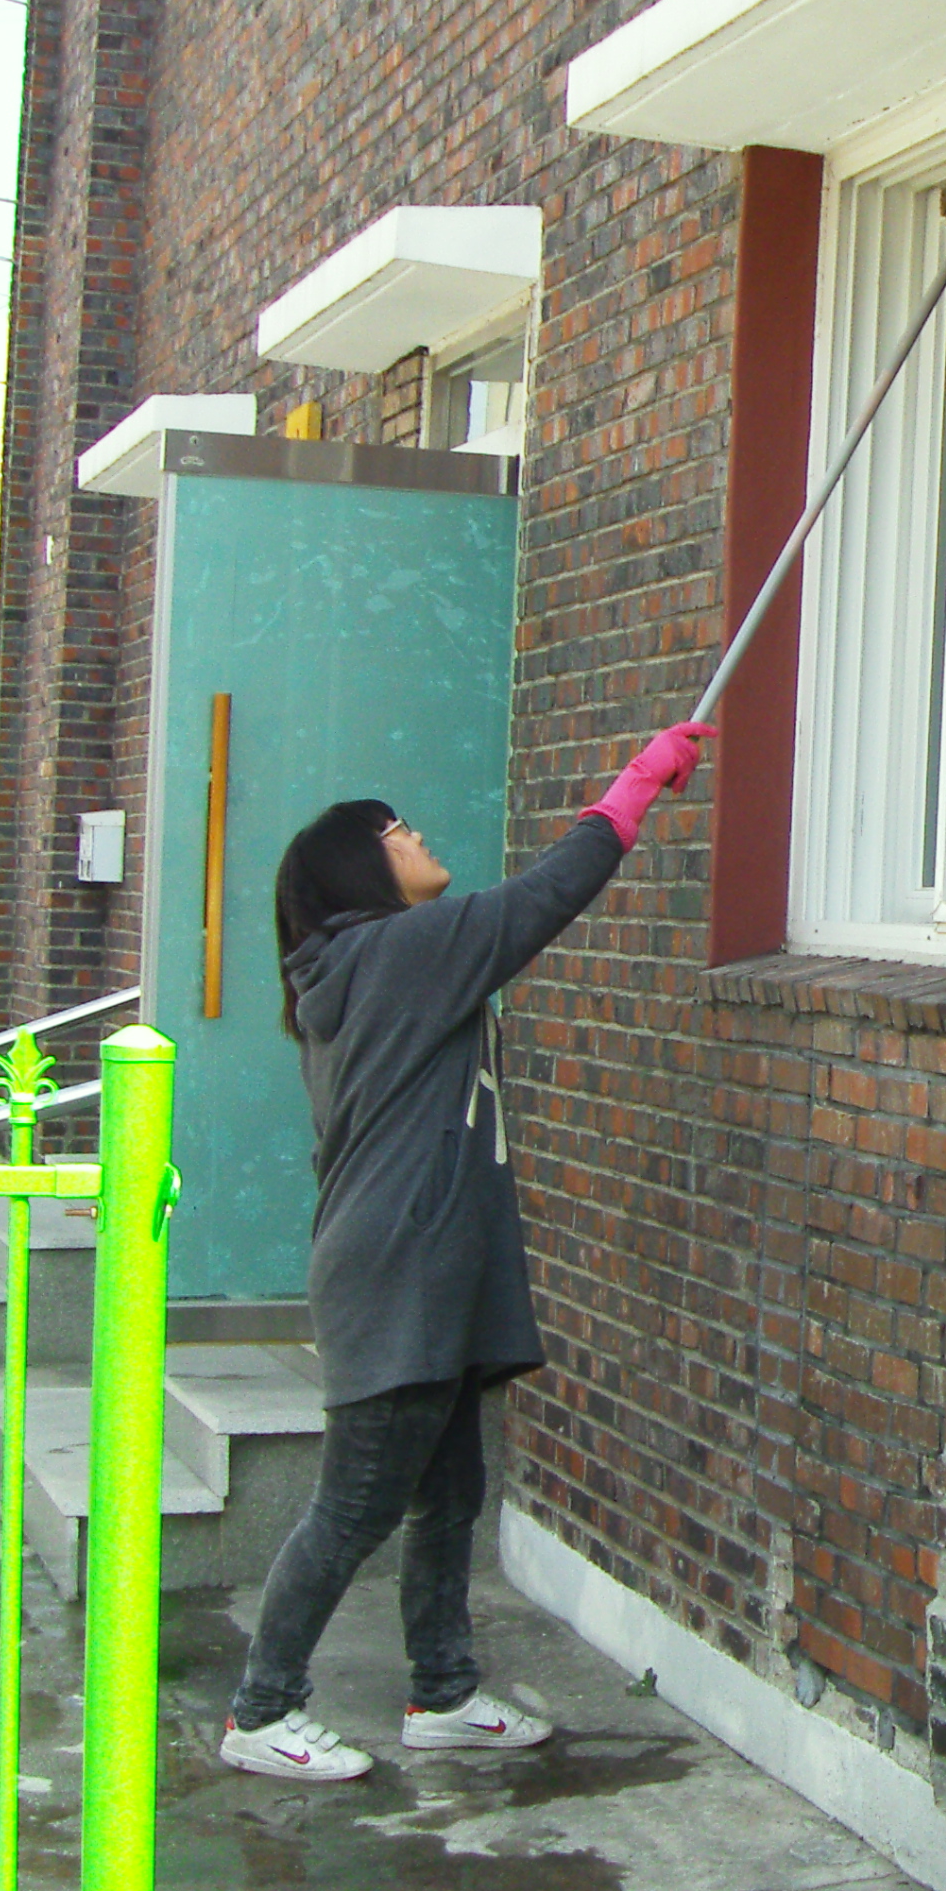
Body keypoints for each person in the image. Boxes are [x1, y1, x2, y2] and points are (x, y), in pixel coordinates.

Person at [218, 719, 715, 1782]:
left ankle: (441, 1691)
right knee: (354, 1505)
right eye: (395, 831)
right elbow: (540, 900)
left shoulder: (371, 965)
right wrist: (632, 789)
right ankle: (261, 1711)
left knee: (447, 1495)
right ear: (360, 871)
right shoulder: (398, 952)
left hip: (421, 1266)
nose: (417, 835)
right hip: (396, 1273)